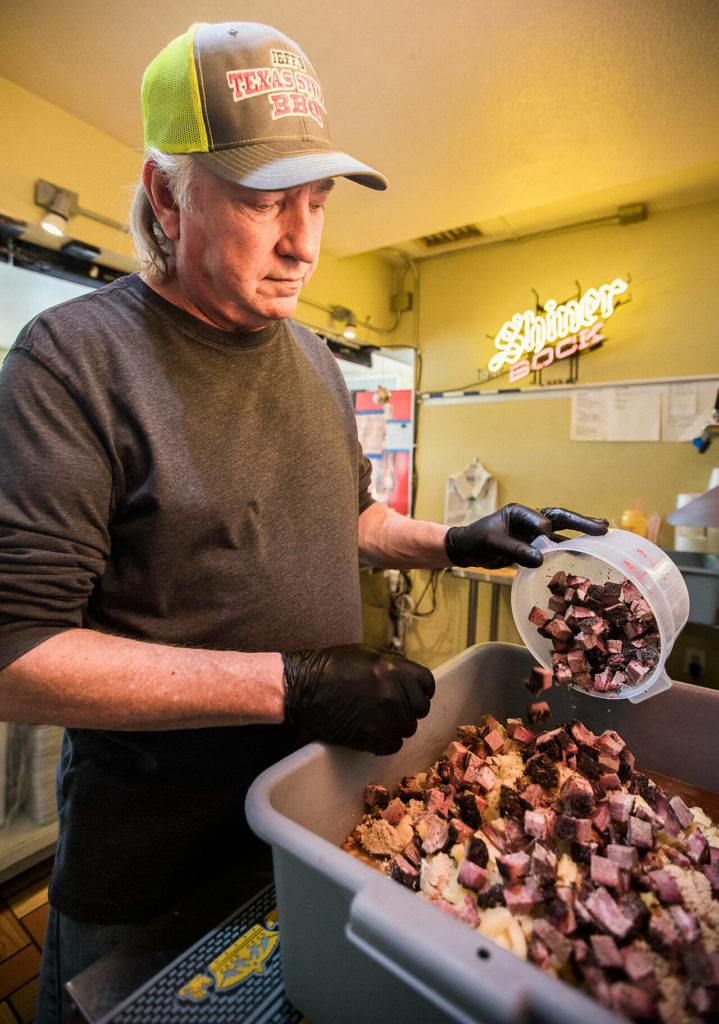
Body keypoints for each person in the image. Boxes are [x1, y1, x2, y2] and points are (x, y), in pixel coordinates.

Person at [0, 22, 608, 1023]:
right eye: (264, 200)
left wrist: (455, 544)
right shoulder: (74, 362)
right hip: (150, 865)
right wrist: (294, 683)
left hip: (312, 820)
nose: (304, 241)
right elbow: (17, 654)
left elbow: (347, 515)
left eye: (315, 200)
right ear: (167, 196)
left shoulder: (314, 359)